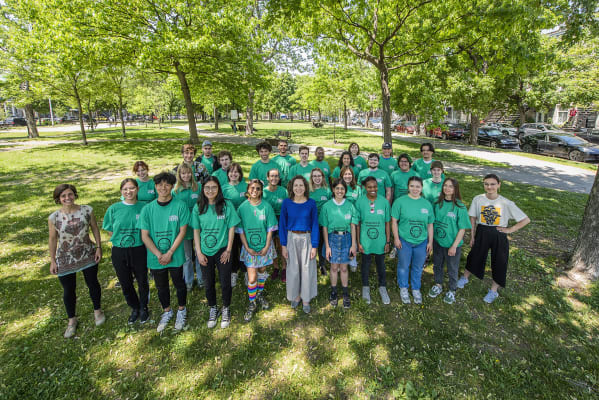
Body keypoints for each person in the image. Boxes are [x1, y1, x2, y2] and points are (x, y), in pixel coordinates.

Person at [457, 174, 530, 303]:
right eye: (486, 184)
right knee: (474, 255)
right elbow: (473, 218)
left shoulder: (506, 203)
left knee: (499, 261)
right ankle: (465, 278)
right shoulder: (478, 199)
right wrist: (472, 236)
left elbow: (525, 220)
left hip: (498, 234)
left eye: (492, 184)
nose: (489, 187)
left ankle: (493, 291)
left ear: (498, 185)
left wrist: (510, 230)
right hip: (482, 231)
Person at [48, 184, 104, 338]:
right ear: (58, 199)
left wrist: (98, 247)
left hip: (87, 253)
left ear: (75, 195)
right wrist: (53, 261)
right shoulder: (54, 218)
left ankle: (97, 311)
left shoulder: (87, 210)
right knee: (68, 290)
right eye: (63, 196)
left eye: (70, 194)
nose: (67, 198)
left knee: (92, 283)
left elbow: (94, 228)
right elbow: (52, 240)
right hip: (65, 258)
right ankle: (72, 320)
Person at [140, 172, 190, 332]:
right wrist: (158, 254)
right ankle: (167, 311)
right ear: (155, 187)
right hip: (156, 256)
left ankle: (182, 310)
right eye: (160, 184)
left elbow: (182, 232)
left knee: (179, 283)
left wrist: (169, 252)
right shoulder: (147, 209)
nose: (163, 187)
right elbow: (144, 235)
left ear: (172, 186)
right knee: (161, 286)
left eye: (167, 184)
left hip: (174, 254)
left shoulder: (180, 205)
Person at [191, 177, 240, 328]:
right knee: (208, 282)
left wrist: (229, 250)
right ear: (203, 189)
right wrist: (198, 252)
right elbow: (196, 231)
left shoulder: (226, 205)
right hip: (205, 251)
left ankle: (225, 308)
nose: (210, 191)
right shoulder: (198, 206)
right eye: (207, 187)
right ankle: (213, 307)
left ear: (218, 189)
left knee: (225, 282)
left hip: (223, 250)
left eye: (213, 187)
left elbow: (232, 228)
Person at [102, 179, 149, 324]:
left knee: (142, 280)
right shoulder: (114, 209)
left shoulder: (144, 207)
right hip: (120, 251)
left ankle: (143, 307)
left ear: (137, 189)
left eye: (132, 188)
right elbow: (110, 229)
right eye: (125, 189)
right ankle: (134, 307)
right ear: (121, 191)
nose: (129, 192)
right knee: (125, 282)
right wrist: (121, 240)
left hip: (139, 249)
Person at [236, 179, 278, 322]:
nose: (255, 191)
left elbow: (270, 229)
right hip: (249, 248)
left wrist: (267, 246)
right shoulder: (242, 208)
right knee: (252, 276)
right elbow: (240, 230)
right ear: (248, 189)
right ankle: (252, 302)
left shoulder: (266, 207)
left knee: (262, 271)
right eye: (252, 188)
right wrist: (247, 247)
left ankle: (259, 294)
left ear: (261, 191)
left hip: (264, 246)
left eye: (258, 188)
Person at [279, 175, 319, 313]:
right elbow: (282, 225)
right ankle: (296, 296)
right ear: (291, 187)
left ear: (305, 187)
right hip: (291, 237)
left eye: (301, 185)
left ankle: (306, 297)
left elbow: (314, 225)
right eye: (296, 185)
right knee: (293, 268)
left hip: (306, 238)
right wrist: (283, 245)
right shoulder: (286, 203)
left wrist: (314, 245)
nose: (298, 188)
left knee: (307, 268)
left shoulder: (311, 203)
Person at [391, 176, 434, 304]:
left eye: (418, 186)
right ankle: (403, 287)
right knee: (404, 265)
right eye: (412, 186)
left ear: (421, 188)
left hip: (421, 242)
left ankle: (416, 288)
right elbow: (394, 221)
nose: (415, 189)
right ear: (408, 187)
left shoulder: (426, 204)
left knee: (418, 266)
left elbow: (430, 224)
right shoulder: (400, 202)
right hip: (404, 240)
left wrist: (430, 241)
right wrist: (396, 238)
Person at [428, 178, 471, 304]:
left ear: (455, 189)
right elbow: (431, 222)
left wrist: (454, 245)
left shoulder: (460, 206)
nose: (447, 188)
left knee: (452, 268)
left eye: (450, 186)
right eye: (445, 185)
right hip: (438, 241)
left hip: (452, 244)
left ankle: (452, 290)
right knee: (437, 264)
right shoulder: (437, 203)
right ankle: (438, 284)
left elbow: (462, 228)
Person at [320, 179, 357, 309]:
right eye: (337, 189)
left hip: (346, 238)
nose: (340, 191)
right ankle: (334, 291)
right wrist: (327, 246)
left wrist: (353, 245)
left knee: (344, 268)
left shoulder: (350, 205)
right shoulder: (327, 206)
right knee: (334, 267)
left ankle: (346, 293)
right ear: (333, 190)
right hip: (332, 238)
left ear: (345, 191)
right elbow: (324, 227)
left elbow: (353, 226)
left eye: (342, 189)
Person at [355, 177, 391, 305]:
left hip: (380, 240)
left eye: (375, 186)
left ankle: (382, 287)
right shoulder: (360, 202)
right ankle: (365, 287)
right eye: (369, 187)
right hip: (366, 240)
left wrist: (387, 241)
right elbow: (358, 224)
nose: (373, 189)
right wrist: (359, 242)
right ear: (365, 188)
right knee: (365, 264)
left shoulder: (384, 202)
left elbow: (387, 223)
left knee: (381, 264)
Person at [172, 163, 203, 291]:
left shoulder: (198, 187)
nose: (186, 175)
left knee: (199, 252)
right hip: (183, 228)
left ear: (192, 173)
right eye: (183, 173)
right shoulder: (175, 191)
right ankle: (189, 280)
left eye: (188, 172)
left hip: (197, 226)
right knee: (187, 256)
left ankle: (201, 279)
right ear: (179, 175)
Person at [221, 162, 247, 287]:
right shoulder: (224, 188)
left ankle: (246, 270)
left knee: (244, 248)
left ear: (240, 174)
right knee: (232, 249)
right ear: (228, 174)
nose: (233, 174)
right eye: (231, 172)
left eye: (236, 172)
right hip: (230, 225)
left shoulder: (246, 186)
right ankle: (233, 272)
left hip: (243, 224)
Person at [263, 168, 289, 282]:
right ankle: (275, 267)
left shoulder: (283, 191)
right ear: (268, 178)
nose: (274, 178)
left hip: (281, 219)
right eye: (272, 176)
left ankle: (284, 268)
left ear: (279, 178)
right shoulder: (263, 192)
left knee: (281, 245)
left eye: (276, 176)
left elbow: (288, 206)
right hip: (268, 220)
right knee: (272, 245)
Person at [309, 168, 332, 275]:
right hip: (311, 223)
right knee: (312, 244)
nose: (317, 178)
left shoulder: (327, 190)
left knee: (322, 244)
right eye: (315, 176)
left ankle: (322, 265)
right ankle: (311, 264)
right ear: (311, 178)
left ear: (322, 177)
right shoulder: (308, 191)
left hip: (324, 223)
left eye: (319, 176)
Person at [340, 166, 361, 272]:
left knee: (353, 239)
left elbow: (360, 203)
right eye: (345, 174)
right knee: (342, 239)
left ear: (352, 176)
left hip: (354, 217)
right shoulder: (339, 187)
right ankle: (341, 260)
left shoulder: (357, 188)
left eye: (349, 174)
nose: (347, 176)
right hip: (341, 217)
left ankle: (353, 260)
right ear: (342, 176)